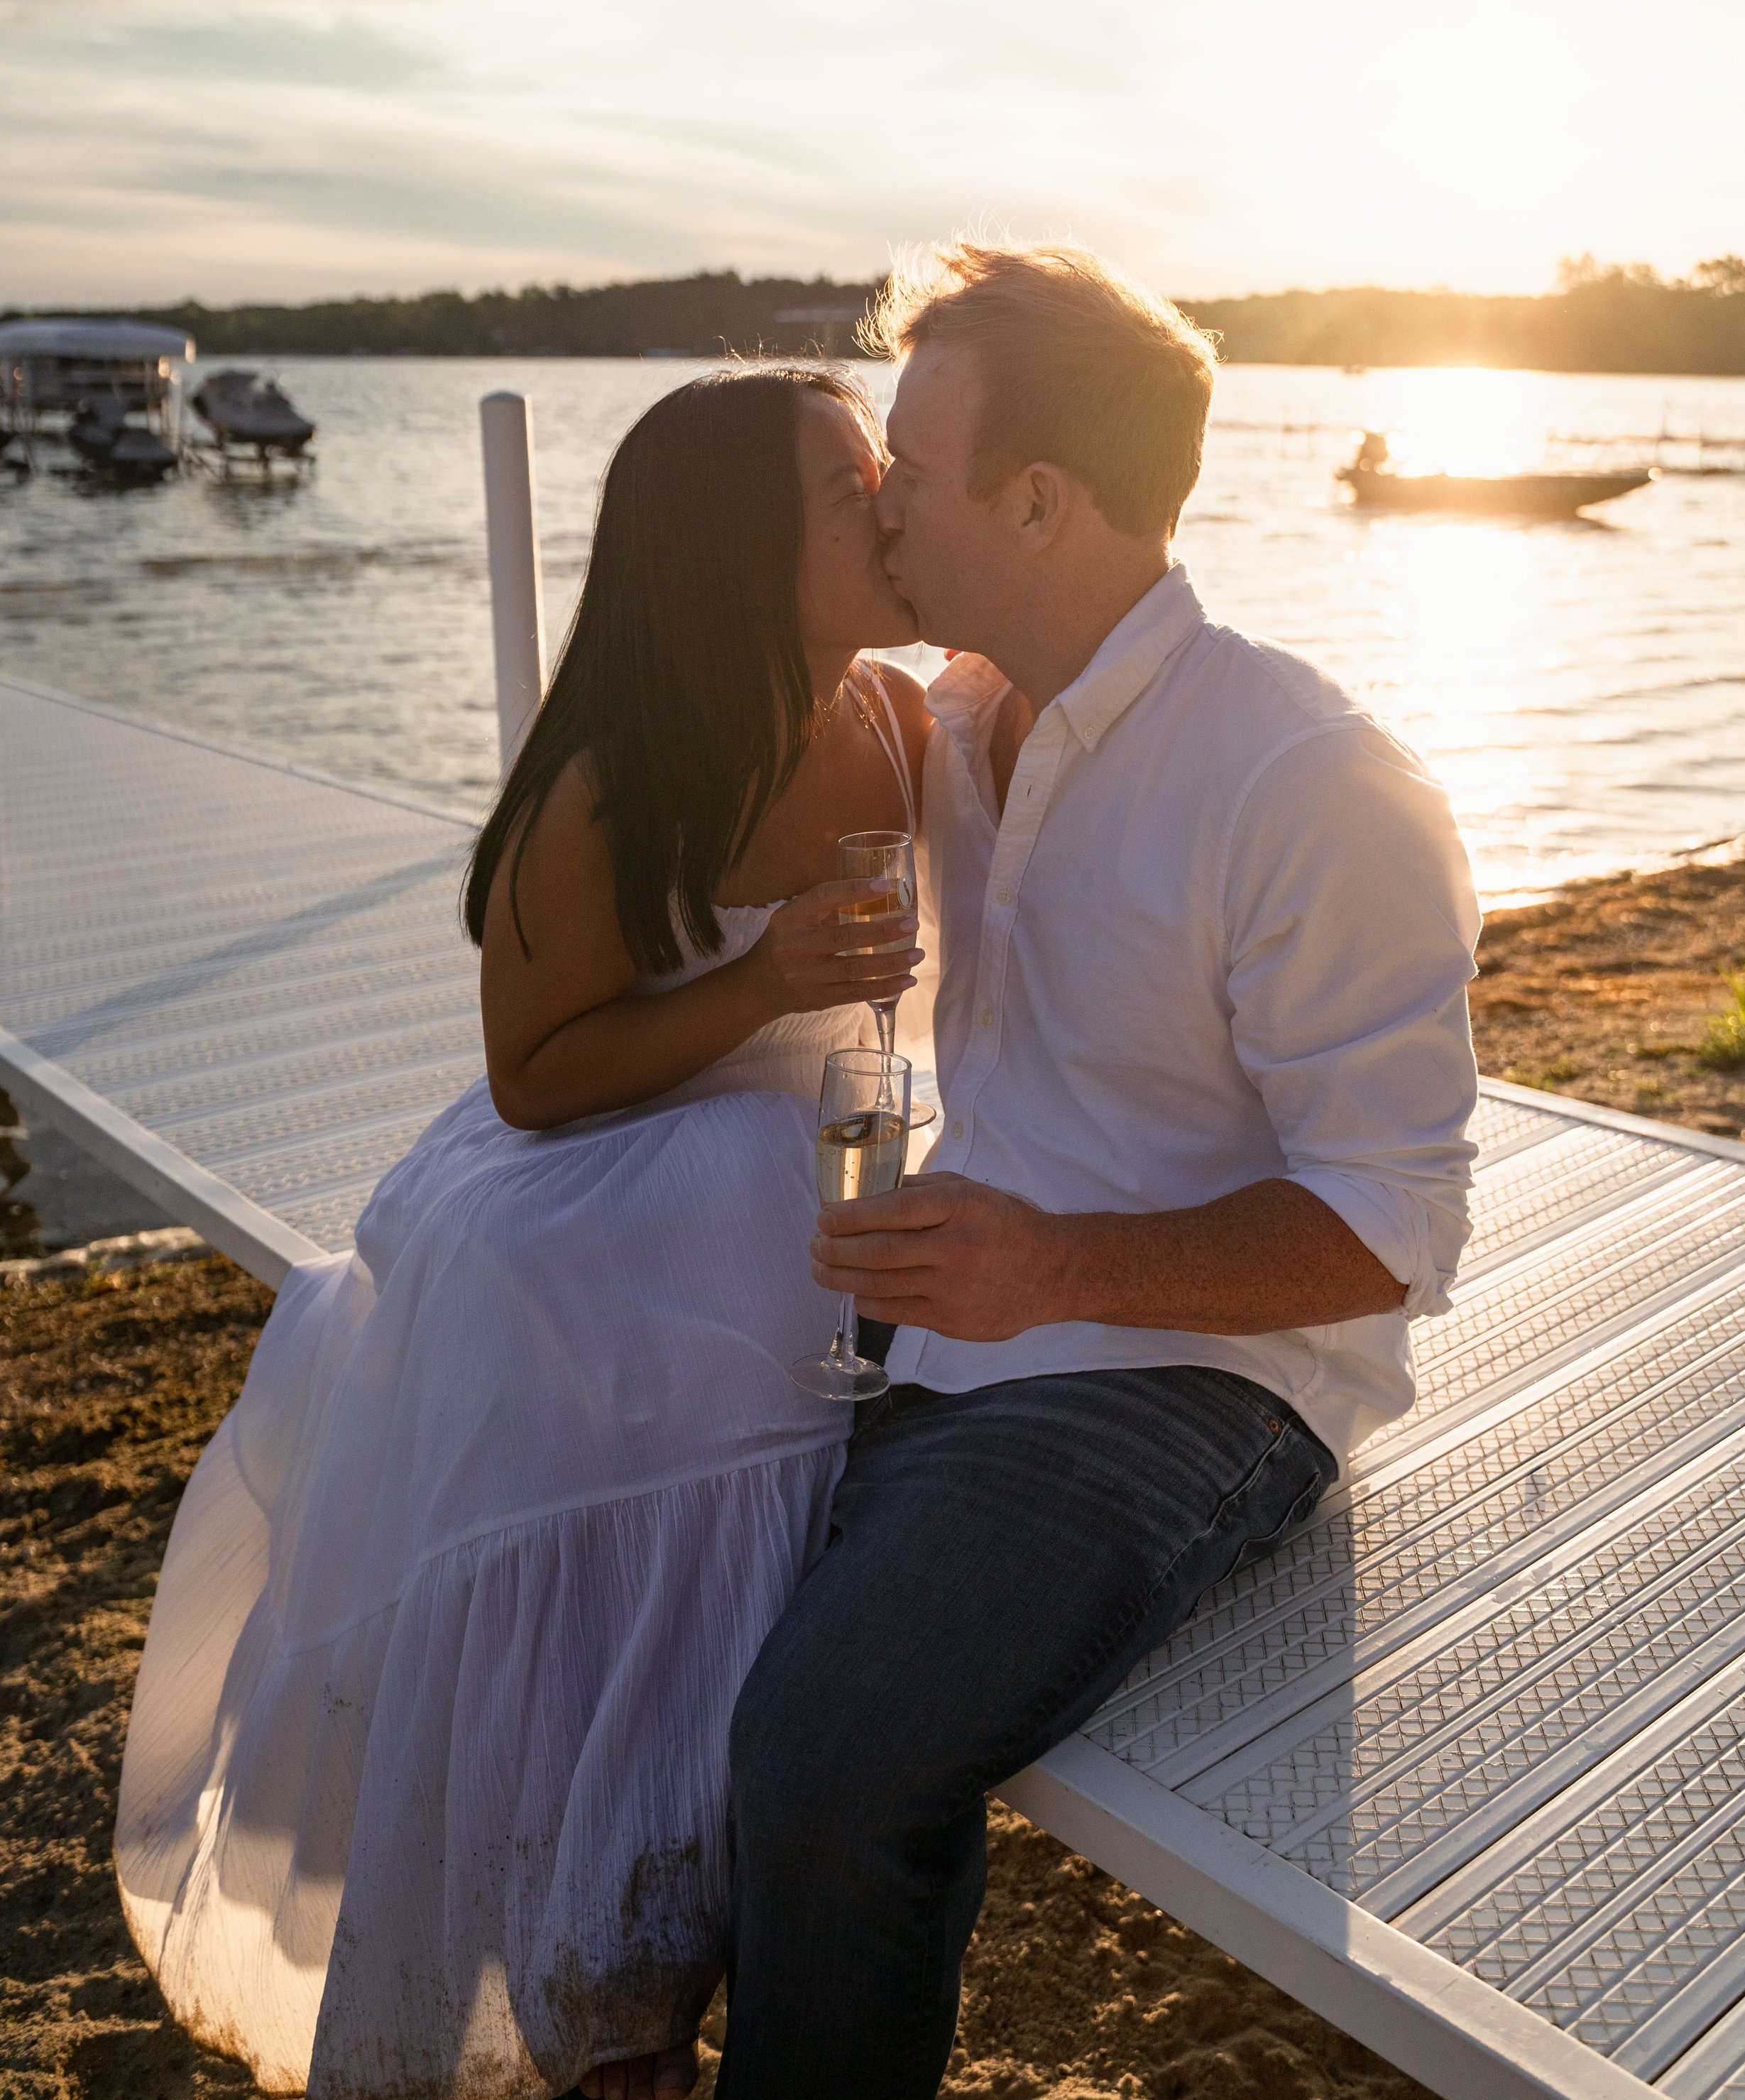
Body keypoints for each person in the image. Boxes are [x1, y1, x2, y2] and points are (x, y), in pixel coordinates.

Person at [715, 244, 1480, 2099]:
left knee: (824, 1750)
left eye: (909, 461)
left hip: (1190, 1378)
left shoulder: (1300, 776)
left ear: (1036, 499)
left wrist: (1046, 1264)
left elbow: (1392, 1222)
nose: (880, 497)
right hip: (955, 1318)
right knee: (624, 1551)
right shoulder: (961, 719)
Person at [114, 365, 931, 2100]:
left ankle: (684, 1885)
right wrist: (766, 981)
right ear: (732, 553)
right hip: (613, 1167)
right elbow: (535, 1077)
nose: (889, 494)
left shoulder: (897, 716)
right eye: (848, 478)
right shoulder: (617, 784)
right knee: (566, 1342)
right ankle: (588, 1951)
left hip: (823, 1144)